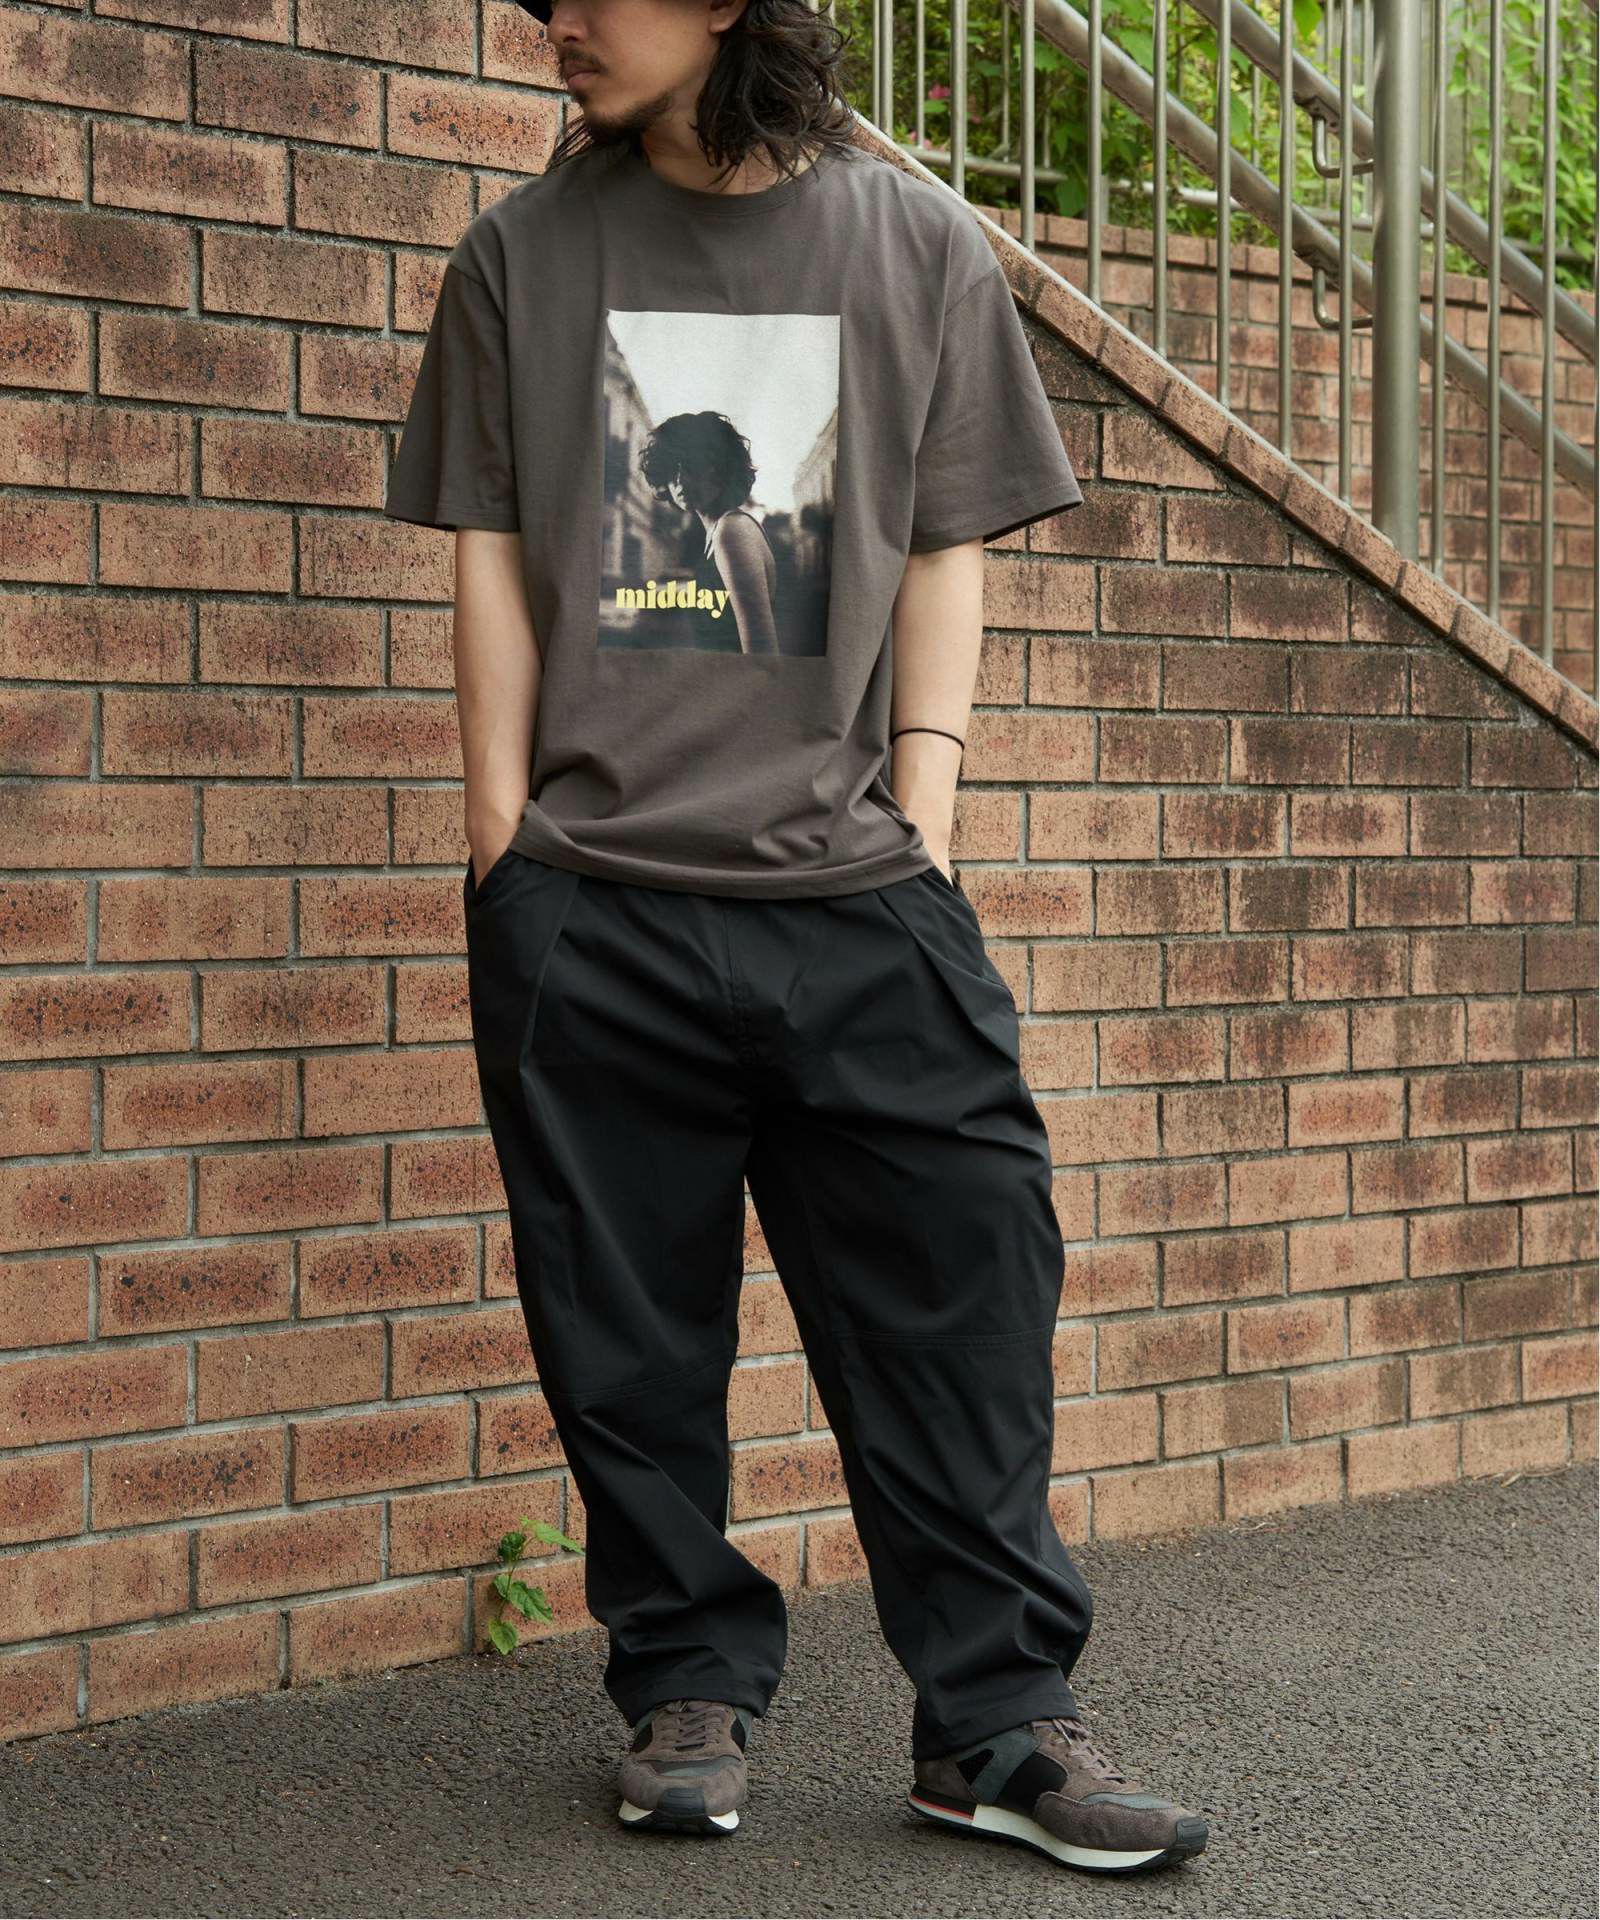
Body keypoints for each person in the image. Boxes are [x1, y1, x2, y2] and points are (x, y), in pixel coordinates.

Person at [383, 0, 1209, 1878]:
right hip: (597, 901)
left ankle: (996, 1724)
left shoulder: (914, 242)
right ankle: (684, 1684)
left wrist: (928, 806)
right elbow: (490, 554)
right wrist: (506, 847)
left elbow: (941, 537)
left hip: (858, 899)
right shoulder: (520, 257)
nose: (553, 20)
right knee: (625, 1339)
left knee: (968, 1296)